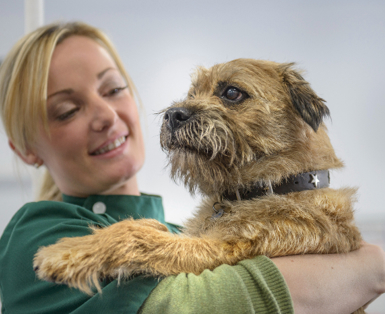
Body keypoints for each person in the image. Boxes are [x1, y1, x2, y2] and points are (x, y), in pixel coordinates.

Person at [0, 22, 383, 314]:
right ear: (26, 150)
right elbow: (194, 304)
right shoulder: (36, 238)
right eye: (67, 111)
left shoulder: (178, 231)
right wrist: (368, 269)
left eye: (113, 89)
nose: (105, 115)